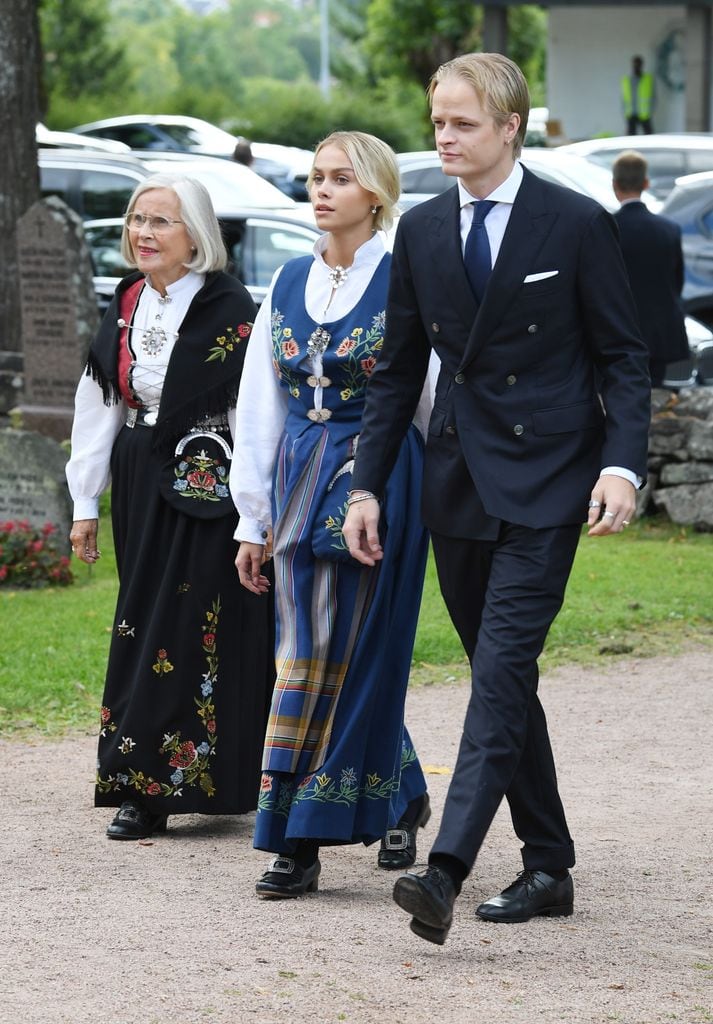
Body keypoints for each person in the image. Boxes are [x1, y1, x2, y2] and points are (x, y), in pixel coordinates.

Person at [343, 53, 651, 945]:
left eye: (463, 122)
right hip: (455, 484)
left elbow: (624, 360)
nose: (444, 136)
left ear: (509, 126)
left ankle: (444, 868)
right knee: (501, 678)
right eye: (437, 121)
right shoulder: (424, 231)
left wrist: (620, 467)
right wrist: (365, 485)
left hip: (551, 481)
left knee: (502, 672)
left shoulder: (576, 223)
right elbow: (396, 371)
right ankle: (548, 862)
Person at [232, 130, 431, 899]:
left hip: (379, 477)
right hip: (294, 478)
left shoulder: (403, 278)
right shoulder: (283, 280)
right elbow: (258, 407)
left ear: (374, 194)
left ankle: (298, 834)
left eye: (339, 179)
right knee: (304, 650)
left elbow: (425, 399)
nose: (320, 190)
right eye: (315, 177)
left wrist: (407, 492)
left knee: (354, 648)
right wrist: (251, 518)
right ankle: (398, 793)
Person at [66, 173, 275, 840]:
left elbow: (251, 415)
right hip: (137, 474)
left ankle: (190, 781)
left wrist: (254, 513)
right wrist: (83, 502)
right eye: (136, 220)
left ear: (196, 236)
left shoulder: (229, 308)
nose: (143, 234)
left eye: (161, 222)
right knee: (139, 621)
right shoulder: (127, 301)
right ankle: (135, 777)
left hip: (205, 482)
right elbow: (99, 405)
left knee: (192, 626)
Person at [612, 150, 689, 386]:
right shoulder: (668, 229)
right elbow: (677, 282)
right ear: (646, 183)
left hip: (619, 332)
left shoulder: (607, 228)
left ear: (614, 184)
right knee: (654, 396)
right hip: (660, 332)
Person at [621, 55, 655, 134]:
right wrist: (624, 111)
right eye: (634, 64)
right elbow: (623, 98)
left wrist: (651, 110)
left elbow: (653, 97)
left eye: (638, 64)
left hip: (645, 114)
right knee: (630, 138)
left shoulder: (648, 79)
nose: (636, 66)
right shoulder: (626, 80)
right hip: (631, 113)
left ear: (641, 65)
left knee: (649, 136)